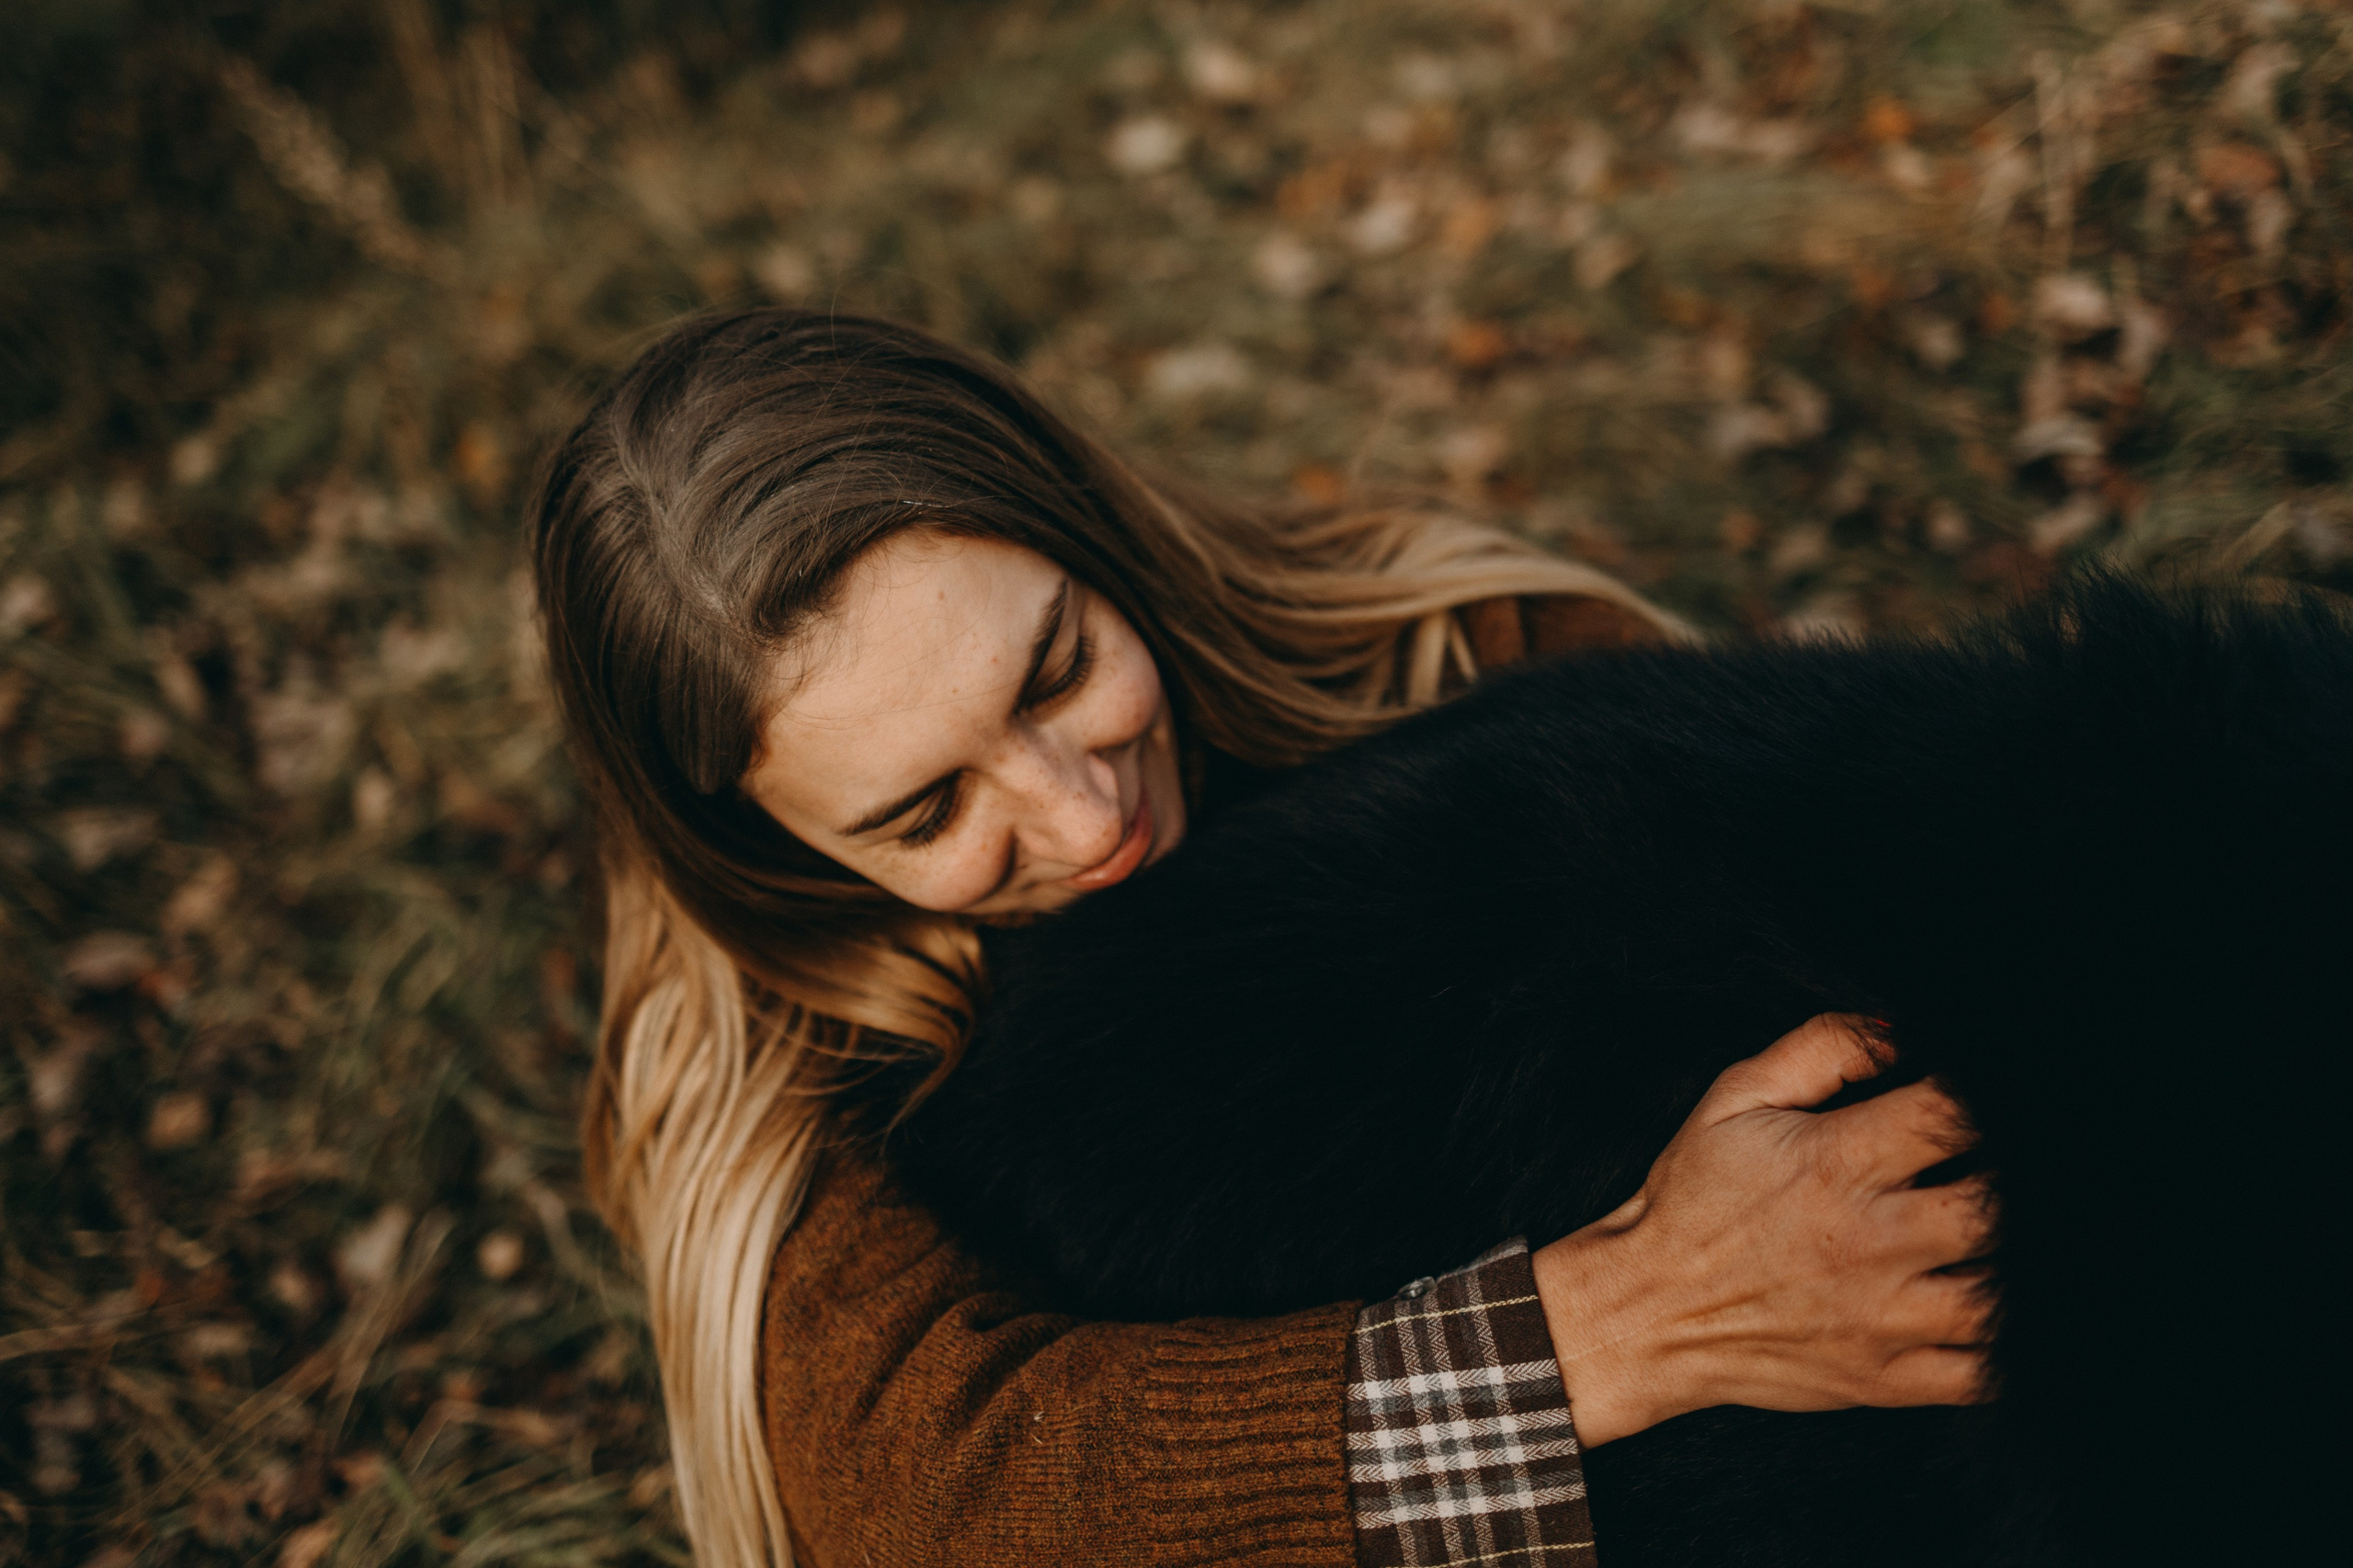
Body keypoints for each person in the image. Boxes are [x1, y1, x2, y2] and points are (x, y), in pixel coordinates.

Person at [530, 310, 1992, 1567]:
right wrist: (1611, 1331)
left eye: (1057, 668)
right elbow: (937, 1497)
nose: (1082, 814)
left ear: (1087, 527)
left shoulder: (1445, 635)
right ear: (775, 853)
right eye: (925, 812)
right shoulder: (776, 1073)